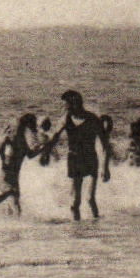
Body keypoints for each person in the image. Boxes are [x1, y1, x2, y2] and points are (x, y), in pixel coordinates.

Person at [40, 90, 110, 220]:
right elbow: (54, 138)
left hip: (90, 159)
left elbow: (105, 146)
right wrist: (46, 153)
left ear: (76, 104)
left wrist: (105, 168)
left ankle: (98, 228)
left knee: (90, 199)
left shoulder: (93, 119)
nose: (65, 108)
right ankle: (77, 233)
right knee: (74, 203)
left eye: (67, 105)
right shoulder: (65, 119)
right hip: (74, 160)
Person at [0, 112, 41, 214]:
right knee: (16, 209)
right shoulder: (6, 140)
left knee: (11, 211)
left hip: (15, 181)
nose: (16, 130)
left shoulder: (23, 143)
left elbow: (30, 155)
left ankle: (8, 228)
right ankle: (21, 229)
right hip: (4, 180)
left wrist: (44, 147)